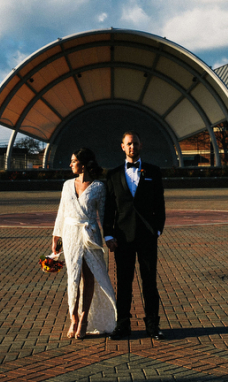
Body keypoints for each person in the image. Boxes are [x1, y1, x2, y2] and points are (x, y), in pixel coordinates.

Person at [102, 131, 166, 340]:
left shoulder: (153, 172)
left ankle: (152, 325)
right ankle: (122, 325)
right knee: (124, 283)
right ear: (122, 147)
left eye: (135, 143)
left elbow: (159, 204)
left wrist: (157, 229)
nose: (132, 147)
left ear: (141, 145)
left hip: (147, 236)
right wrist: (108, 235)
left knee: (149, 282)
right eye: (129, 144)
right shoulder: (112, 175)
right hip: (122, 238)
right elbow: (109, 208)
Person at [52, 147, 117, 339]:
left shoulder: (98, 187)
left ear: (83, 164)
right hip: (71, 233)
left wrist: (109, 237)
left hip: (90, 235)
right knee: (73, 276)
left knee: (90, 277)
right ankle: (73, 317)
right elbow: (61, 213)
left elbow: (104, 216)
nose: (70, 164)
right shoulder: (66, 185)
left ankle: (84, 319)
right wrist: (56, 237)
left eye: (73, 161)